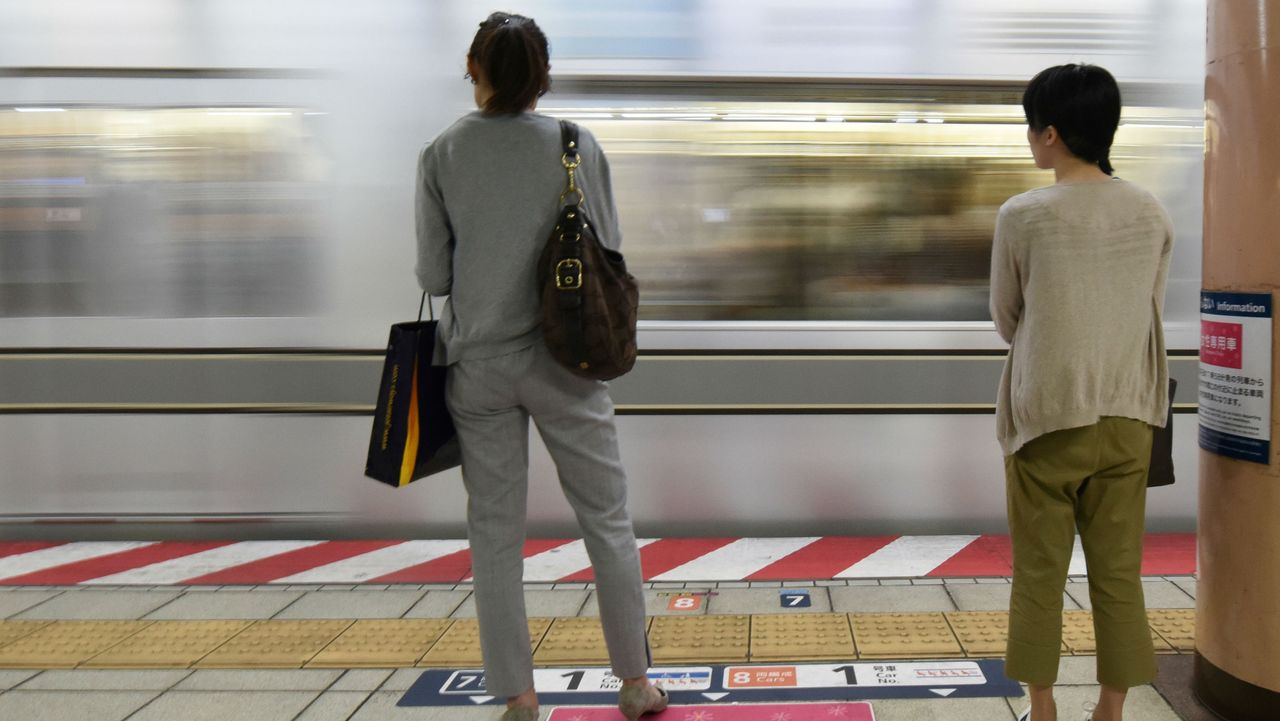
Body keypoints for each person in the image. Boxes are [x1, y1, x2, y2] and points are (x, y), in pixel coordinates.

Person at [414, 12, 666, 721]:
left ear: (475, 68)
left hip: (480, 368)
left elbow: (434, 274)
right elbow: (607, 248)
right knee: (606, 520)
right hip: (568, 361)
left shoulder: (440, 153)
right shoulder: (574, 145)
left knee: (494, 532)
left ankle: (518, 695)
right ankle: (635, 684)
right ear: (544, 75)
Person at [989, 64, 1173, 721]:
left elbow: (1008, 317)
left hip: (1047, 418)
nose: (1031, 137)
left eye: (1033, 125)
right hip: (1129, 414)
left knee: (1039, 572)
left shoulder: (1023, 215)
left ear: (1053, 133)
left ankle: (1042, 708)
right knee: (1119, 574)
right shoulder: (1149, 211)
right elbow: (1146, 307)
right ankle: (1111, 708)